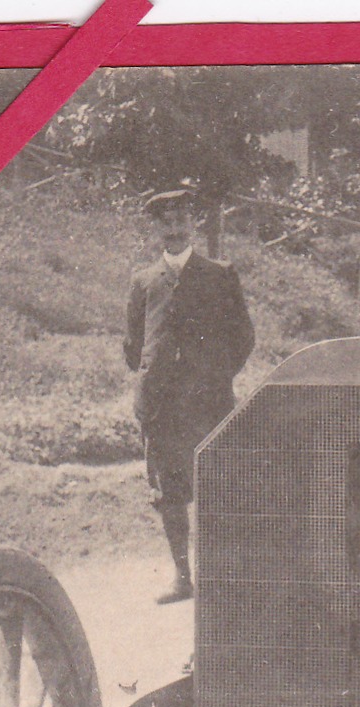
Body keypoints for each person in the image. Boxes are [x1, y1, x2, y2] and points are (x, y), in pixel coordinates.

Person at [125, 186, 255, 603]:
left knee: (216, 487)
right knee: (168, 493)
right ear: (156, 228)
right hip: (162, 406)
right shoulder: (143, 281)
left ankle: (218, 579)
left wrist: (214, 377)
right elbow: (133, 344)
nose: (174, 228)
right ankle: (183, 577)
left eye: (181, 219)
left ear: (193, 223)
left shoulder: (219, 274)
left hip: (207, 402)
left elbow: (243, 338)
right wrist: (154, 380)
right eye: (165, 221)